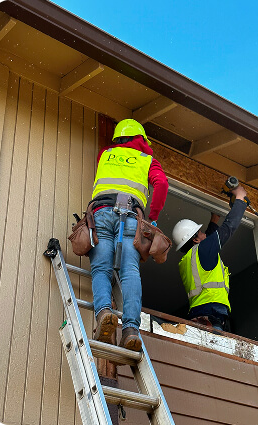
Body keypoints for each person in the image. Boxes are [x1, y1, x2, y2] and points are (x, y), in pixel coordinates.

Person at [89, 119, 168, 351]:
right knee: (129, 271)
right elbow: (161, 184)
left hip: (101, 212)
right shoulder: (148, 160)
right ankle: (131, 329)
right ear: (141, 139)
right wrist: (152, 217)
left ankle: (104, 312)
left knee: (101, 268)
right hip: (132, 216)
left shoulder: (105, 154)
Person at [172, 186, 248, 331]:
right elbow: (229, 227)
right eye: (200, 232)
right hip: (211, 313)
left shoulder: (188, 259)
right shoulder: (203, 250)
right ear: (195, 240)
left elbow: (208, 242)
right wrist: (240, 199)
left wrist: (214, 220)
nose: (204, 234)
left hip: (200, 312)